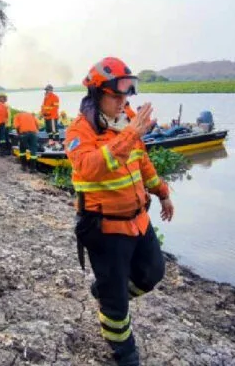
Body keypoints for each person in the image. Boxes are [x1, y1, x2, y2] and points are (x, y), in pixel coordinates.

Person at [65, 57, 174, 366]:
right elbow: (89, 169)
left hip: (138, 220)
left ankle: (105, 289)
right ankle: (124, 354)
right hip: (104, 229)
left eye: (125, 95)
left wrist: (162, 193)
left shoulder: (127, 120)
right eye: (115, 95)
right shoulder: (80, 130)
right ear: (96, 94)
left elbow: (142, 162)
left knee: (152, 272)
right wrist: (130, 134)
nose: (122, 101)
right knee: (116, 308)